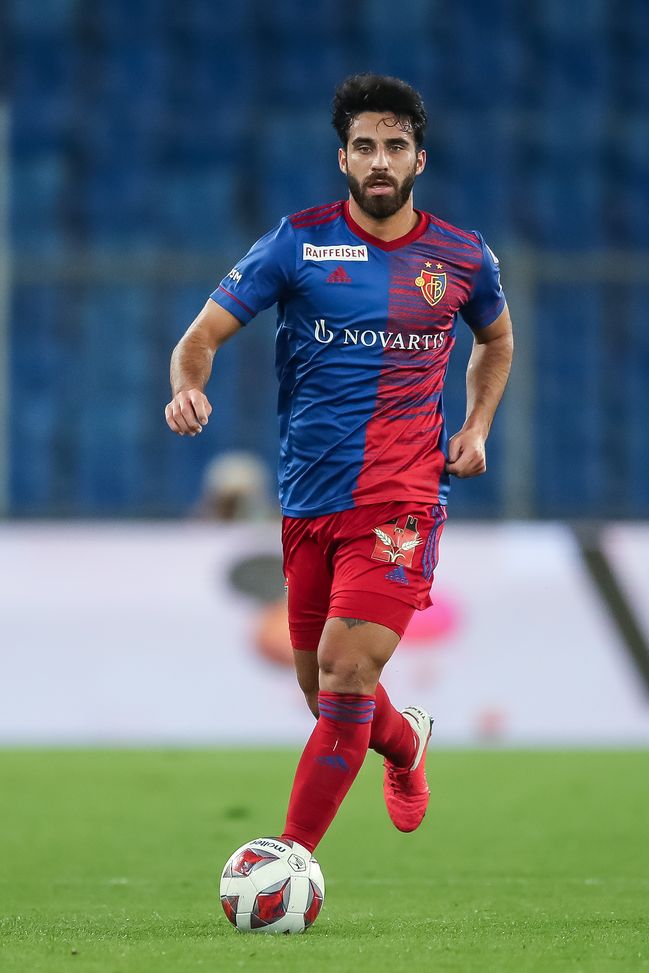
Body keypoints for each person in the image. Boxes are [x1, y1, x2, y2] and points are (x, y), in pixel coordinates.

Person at [165, 73, 513, 859]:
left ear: (419, 158)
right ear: (342, 158)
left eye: (394, 145)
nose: (379, 160)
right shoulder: (297, 243)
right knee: (321, 690)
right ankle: (405, 743)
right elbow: (200, 337)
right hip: (309, 498)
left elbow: (495, 338)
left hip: (402, 496)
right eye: (364, 146)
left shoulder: (461, 256)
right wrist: (187, 386)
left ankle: (289, 857)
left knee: (345, 672)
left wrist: (476, 425)